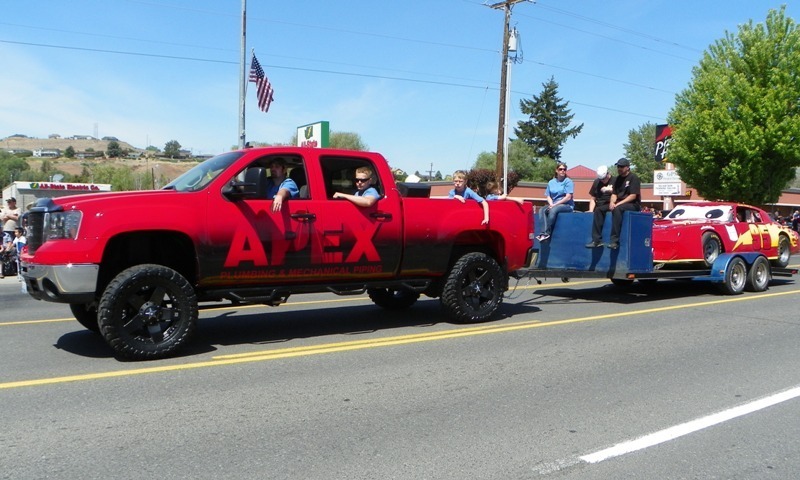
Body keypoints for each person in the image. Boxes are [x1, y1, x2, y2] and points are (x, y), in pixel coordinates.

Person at [607, 157, 641, 249]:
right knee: (599, 209)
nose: (619, 169)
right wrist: (612, 202)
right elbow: (614, 194)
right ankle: (597, 239)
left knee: (618, 209)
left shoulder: (633, 178)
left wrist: (617, 204)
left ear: (627, 167)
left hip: (633, 204)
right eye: (618, 166)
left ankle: (614, 241)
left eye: (621, 167)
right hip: (620, 203)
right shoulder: (617, 179)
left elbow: (633, 196)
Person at [536, 162, 574, 242]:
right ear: (556, 170)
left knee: (554, 210)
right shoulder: (551, 182)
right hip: (553, 203)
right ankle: (543, 233)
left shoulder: (568, 182)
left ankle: (547, 233)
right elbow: (548, 196)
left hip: (566, 205)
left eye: (564, 169)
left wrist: (554, 205)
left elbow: (568, 197)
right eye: (560, 169)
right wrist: (551, 204)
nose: (562, 171)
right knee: (542, 210)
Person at [585, 165, 614, 248]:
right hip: (600, 205)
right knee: (597, 209)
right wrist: (591, 210)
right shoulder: (597, 182)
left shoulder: (615, 181)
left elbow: (620, 193)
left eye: (604, 179)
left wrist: (609, 190)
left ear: (608, 174)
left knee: (599, 210)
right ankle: (596, 240)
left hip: (611, 203)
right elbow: (593, 198)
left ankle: (597, 240)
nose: (603, 181)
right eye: (601, 179)